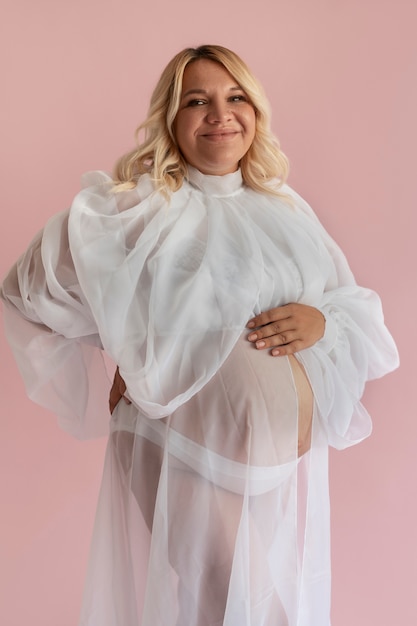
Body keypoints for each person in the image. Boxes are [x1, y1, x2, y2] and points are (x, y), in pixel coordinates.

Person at [0, 45, 399, 626]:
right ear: (171, 118)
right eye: (197, 100)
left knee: (239, 608)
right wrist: (125, 348)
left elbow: (355, 311)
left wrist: (322, 321)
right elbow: (26, 287)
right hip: (180, 448)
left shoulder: (285, 208)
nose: (220, 113)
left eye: (235, 97)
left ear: (256, 113)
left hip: (271, 469)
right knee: (238, 604)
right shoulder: (141, 208)